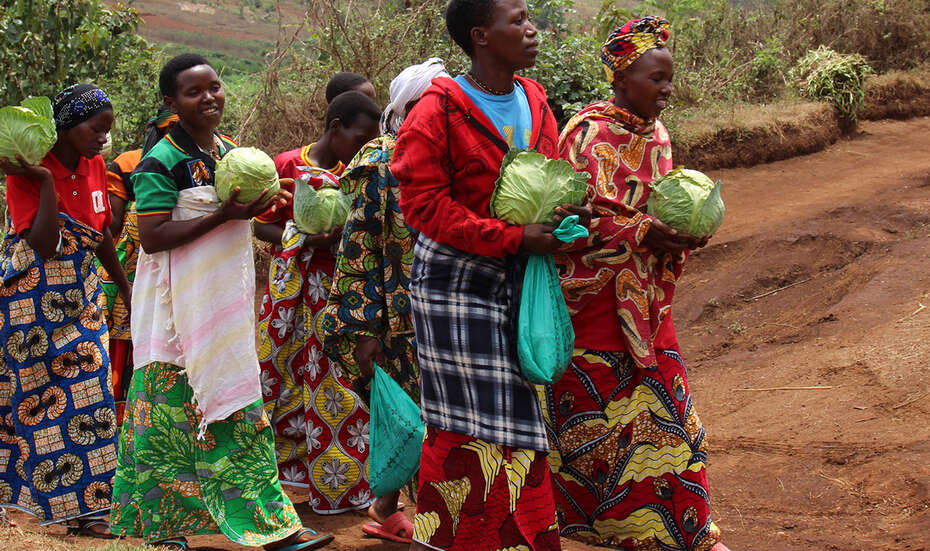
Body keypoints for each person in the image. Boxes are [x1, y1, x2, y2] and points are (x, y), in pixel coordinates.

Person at [108, 53, 333, 551]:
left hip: (224, 311)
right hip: (174, 313)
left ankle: (268, 525)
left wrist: (288, 198)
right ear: (171, 102)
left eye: (214, 86)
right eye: (194, 92)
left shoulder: (230, 152)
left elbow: (248, 217)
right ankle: (160, 530)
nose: (209, 97)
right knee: (164, 418)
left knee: (239, 411)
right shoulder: (160, 161)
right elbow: (152, 236)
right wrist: (223, 213)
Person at [391, 1, 588, 549]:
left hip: (522, 278)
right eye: (518, 20)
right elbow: (424, 209)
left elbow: (551, 179)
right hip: (456, 285)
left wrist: (568, 218)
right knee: (466, 425)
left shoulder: (535, 99)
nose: (531, 30)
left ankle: (522, 540)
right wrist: (511, 237)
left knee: (522, 417)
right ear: (481, 36)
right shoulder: (437, 111)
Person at [541, 17, 727, 551]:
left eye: (670, 78)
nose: (667, 89)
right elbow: (567, 219)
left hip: (646, 304)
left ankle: (692, 531)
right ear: (621, 77)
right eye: (657, 78)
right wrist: (644, 229)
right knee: (595, 428)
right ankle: (608, 529)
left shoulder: (659, 134)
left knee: (670, 418)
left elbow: (665, 198)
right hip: (592, 304)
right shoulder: (585, 133)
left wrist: (686, 234)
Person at [321, 57, 450, 544]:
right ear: (409, 107)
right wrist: (362, 327)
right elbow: (358, 249)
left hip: (446, 309)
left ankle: (391, 511)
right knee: (413, 415)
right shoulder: (380, 162)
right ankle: (424, 517)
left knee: (426, 416)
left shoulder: (451, 153)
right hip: (398, 319)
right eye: (433, 103)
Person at [0, 84, 130, 536]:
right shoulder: (26, 173)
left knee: (92, 389)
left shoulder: (96, 166)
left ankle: (92, 509)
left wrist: (125, 289)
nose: (102, 139)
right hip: (31, 301)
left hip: (82, 294)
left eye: (107, 131)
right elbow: (43, 243)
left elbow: (103, 233)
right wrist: (44, 181)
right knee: (38, 401)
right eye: (96, 129)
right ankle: (52, 506)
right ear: (67, 128)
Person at [254, 91, 381, 514]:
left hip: (337, 291)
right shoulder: (287, 165)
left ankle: (340, 483)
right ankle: (280, 476)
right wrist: (303, 238)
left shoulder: (357, 172)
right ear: (335, 127)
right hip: (290, 292)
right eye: (359, 138)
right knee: (283, 375)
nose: (363, 147)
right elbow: (261, 226)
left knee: (333, 382)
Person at [94, 106, 178, 425]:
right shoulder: (130, 163)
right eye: (170, 131)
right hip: (126, 272)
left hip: (172, 272)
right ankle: (121, 414)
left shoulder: (201, 161)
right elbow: (112, 226)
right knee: (124, 347)